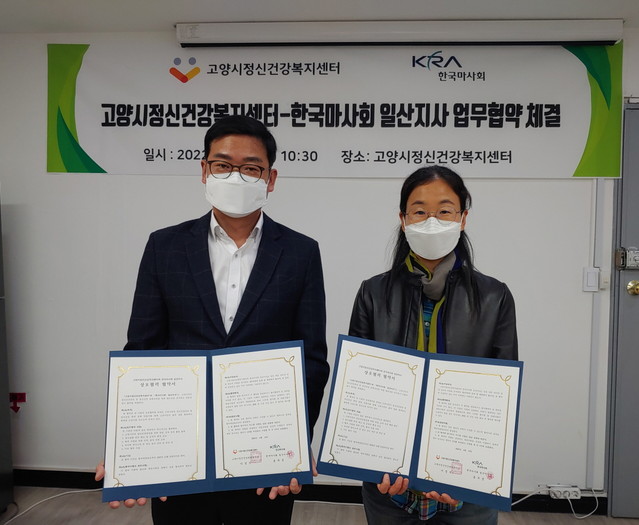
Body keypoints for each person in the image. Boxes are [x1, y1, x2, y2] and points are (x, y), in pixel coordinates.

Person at [96, 115, 330, 524]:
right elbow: (143, 351)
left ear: (271, 179)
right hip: (180, 453)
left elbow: (311, 359)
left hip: (264, 456)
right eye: (223, 165)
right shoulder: (165, 246)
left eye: (251, 168)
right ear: (204, 170)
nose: (235, 177)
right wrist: (131, 448)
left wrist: (295, 441)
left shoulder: (301, 252)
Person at [348, 165, 518, 524]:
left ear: (463, 218)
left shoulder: (494, 296)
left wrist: (464, 472)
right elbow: (359, 391)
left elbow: (500, 398)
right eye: (419, 211)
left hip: (465, 485)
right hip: (389, 483)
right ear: (403, 219)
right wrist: (375, 462)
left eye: (444, 211)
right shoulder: (373, 293)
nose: (431, 222)